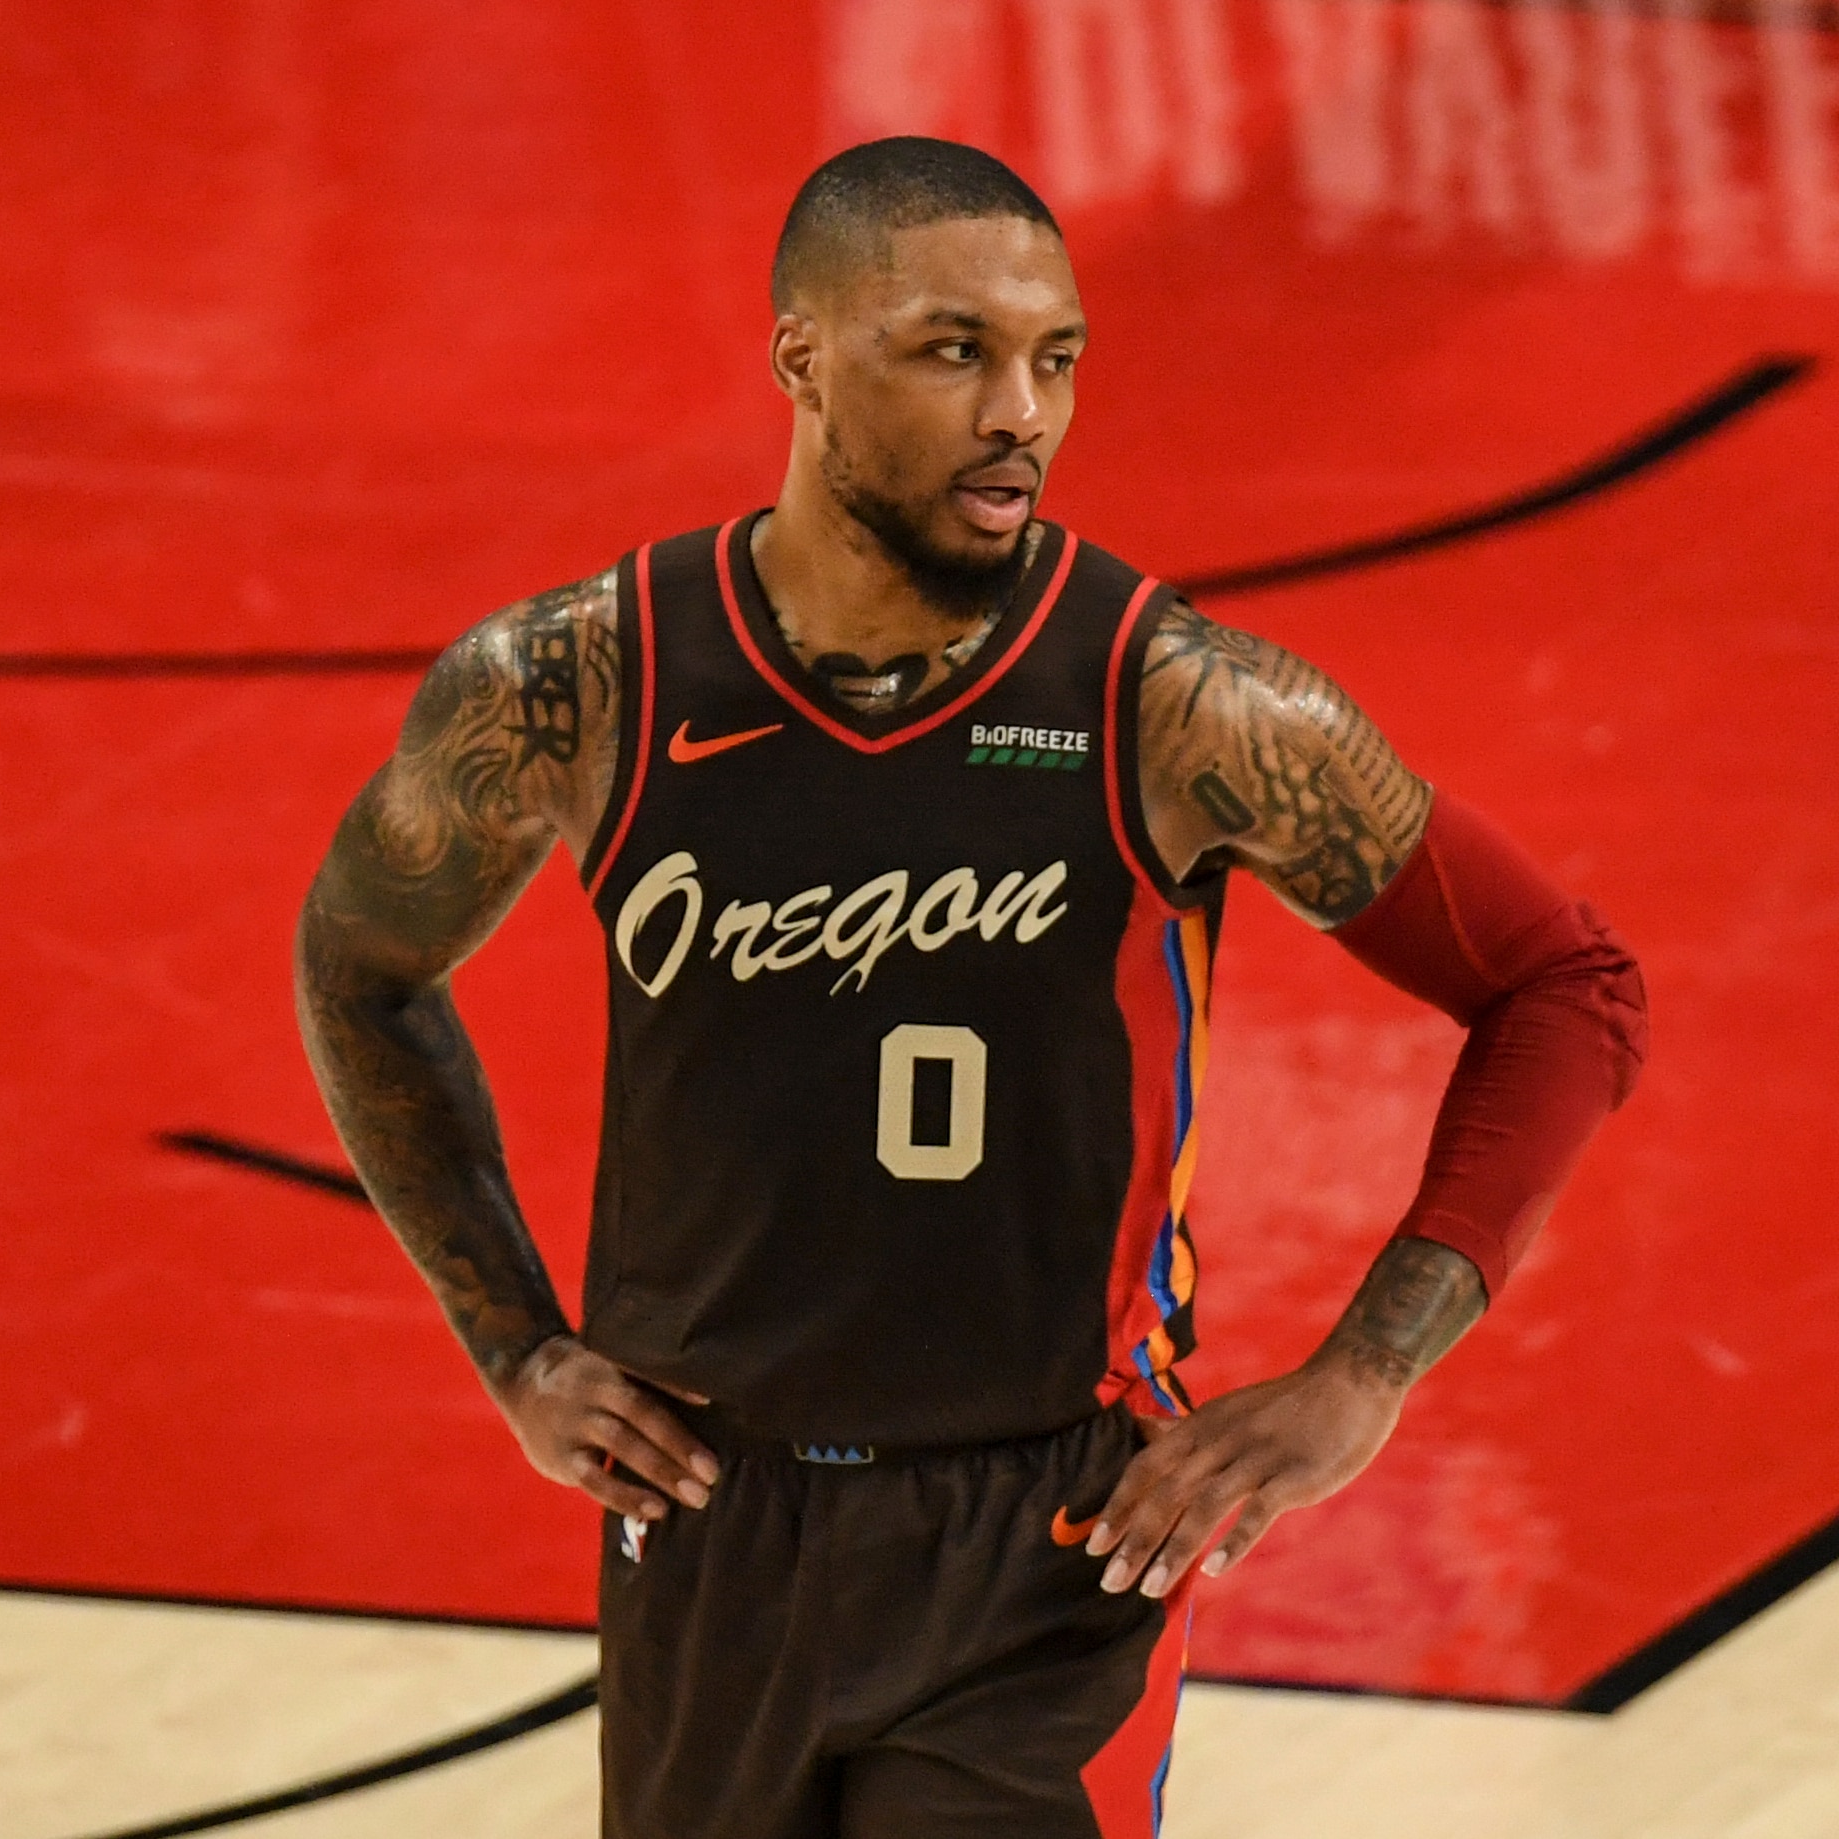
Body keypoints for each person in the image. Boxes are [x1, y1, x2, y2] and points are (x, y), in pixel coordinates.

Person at [292, 136, 1648, 1839]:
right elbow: (359, 971)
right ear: (801, 357)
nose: (1024, 411)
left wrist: (1364, 1373)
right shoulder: (582, 684)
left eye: (1055, 358)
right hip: (714, 1521)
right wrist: (512, 1344)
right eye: (956, 351)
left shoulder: (1183, 707)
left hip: (1055, 1544)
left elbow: (1564, 984)